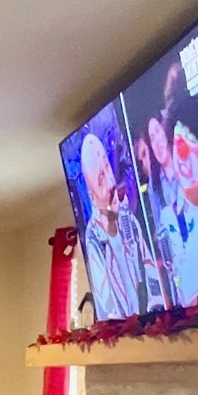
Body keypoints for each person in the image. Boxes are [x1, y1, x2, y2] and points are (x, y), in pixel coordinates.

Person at [76, 128, 159, 320]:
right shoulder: (93, 237)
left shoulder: (126, 216)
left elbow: (149, 265)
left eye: (107, 168)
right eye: (101, 179)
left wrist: (156, 308)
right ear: (92, 198)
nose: (111, 183)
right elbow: (107, 307)